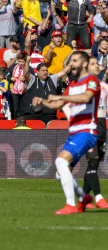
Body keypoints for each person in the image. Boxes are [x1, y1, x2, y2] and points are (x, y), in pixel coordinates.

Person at [32, 51, 99, 214]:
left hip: (86, 131)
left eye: (74, 60)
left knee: (61, 163)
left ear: (84, 64)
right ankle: (84, 197)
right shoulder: (73, 85)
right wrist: (44, 102)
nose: (71, 63)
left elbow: (86, 98)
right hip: (74, 133)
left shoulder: (91, 81)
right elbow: (59, 104)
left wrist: (59, 97)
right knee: (60, 173)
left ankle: (71, 205)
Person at [62, 56, 108, 209]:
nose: (97, 66)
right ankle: (98, 197)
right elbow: (66, 104)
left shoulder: (103, 86)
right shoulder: (83, 85)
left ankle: (83, 199)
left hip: (102, 126)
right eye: (93, 63)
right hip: (88, 127)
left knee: (93, 165)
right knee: (92, 162)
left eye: (98, 64)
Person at [22, 58, 71, 125]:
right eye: (43, 70)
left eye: (46, 70)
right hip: (34, 115)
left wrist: (71, 63)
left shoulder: (52, 79)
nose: (45, 72)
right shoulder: (33, 79)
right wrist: (27, 62)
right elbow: (26, 74)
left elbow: (63, 72)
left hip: (50, 115)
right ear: (38, 72)